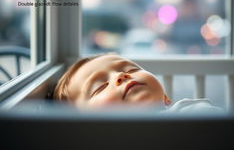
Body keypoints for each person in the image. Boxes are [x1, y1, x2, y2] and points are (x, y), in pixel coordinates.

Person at [54, 53, 221, 113]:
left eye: (131, 70)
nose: (120, 75)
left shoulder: (188, 112)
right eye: (100, 86)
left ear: (165, 98)